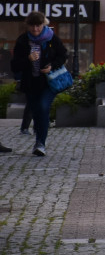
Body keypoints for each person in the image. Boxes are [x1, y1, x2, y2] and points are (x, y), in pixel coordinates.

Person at [10, 12, 68, 157]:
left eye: (38, 25)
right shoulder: (23, 40)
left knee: (43, 106)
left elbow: (63, 55)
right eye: (32, 26)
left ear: (43, 24)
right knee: (36, 110)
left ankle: (40, 143)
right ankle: (39, 136)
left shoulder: (51, 38)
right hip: (31, 83)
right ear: (28, 26)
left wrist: (52, 66)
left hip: (49, 82)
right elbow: (15, 65)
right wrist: (28, 59)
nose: (35, 29)